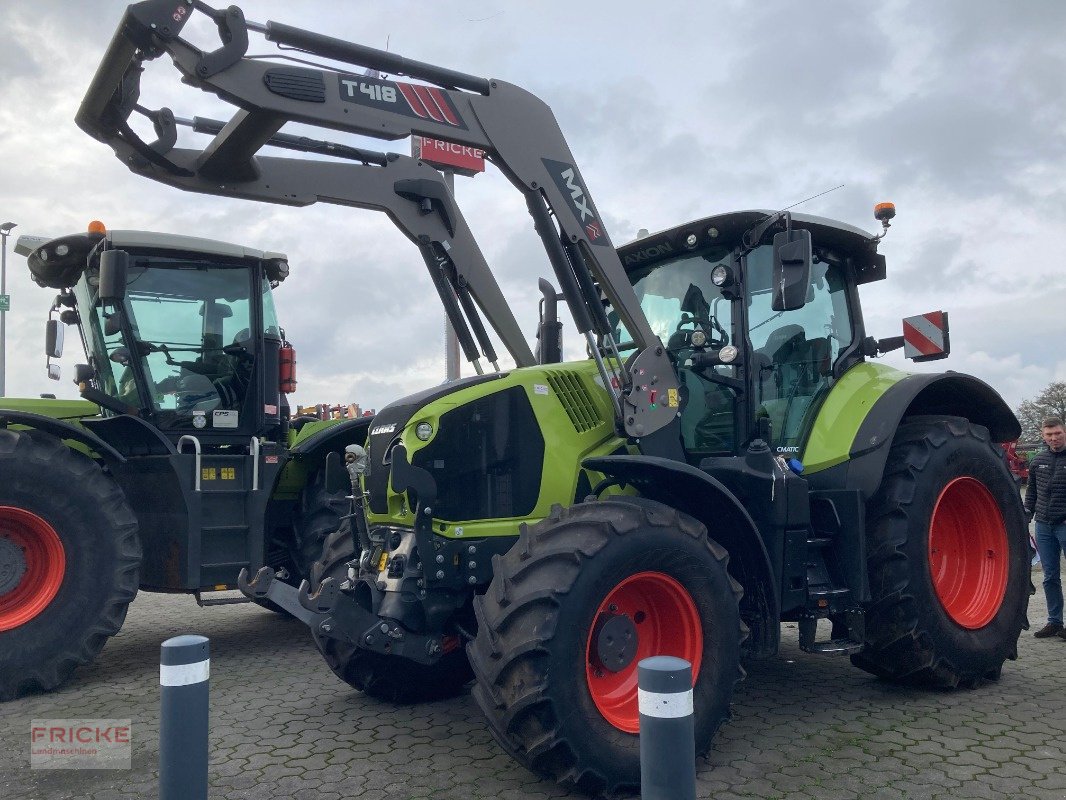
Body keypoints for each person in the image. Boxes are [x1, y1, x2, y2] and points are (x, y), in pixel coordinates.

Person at [1024, 416, 1066, 639]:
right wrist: (1026, 514)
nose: (1054, 438)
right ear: (1043, 435)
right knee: (1050, 576)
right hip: (1044, 526)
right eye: (1049, 435)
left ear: (1064, 432)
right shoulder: (1038, 460)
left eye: (1057, 433)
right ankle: (1054, 622)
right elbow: (1031, 492)